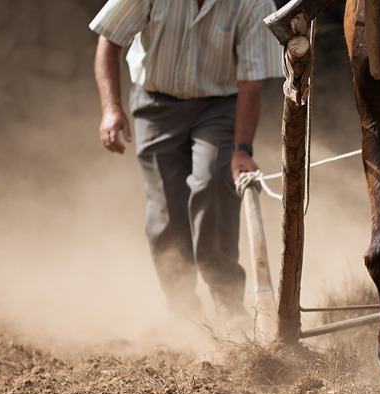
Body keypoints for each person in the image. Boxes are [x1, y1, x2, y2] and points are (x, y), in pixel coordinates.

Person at [90, 0, 283, 323]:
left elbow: (252, 81)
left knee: (212, 182)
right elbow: (109, 39)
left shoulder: (253, 3)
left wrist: (241, 150)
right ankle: (182, 312)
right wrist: (111, 109)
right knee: (165, 210)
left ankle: (227, 305)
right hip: (155, 104)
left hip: (217, 106)